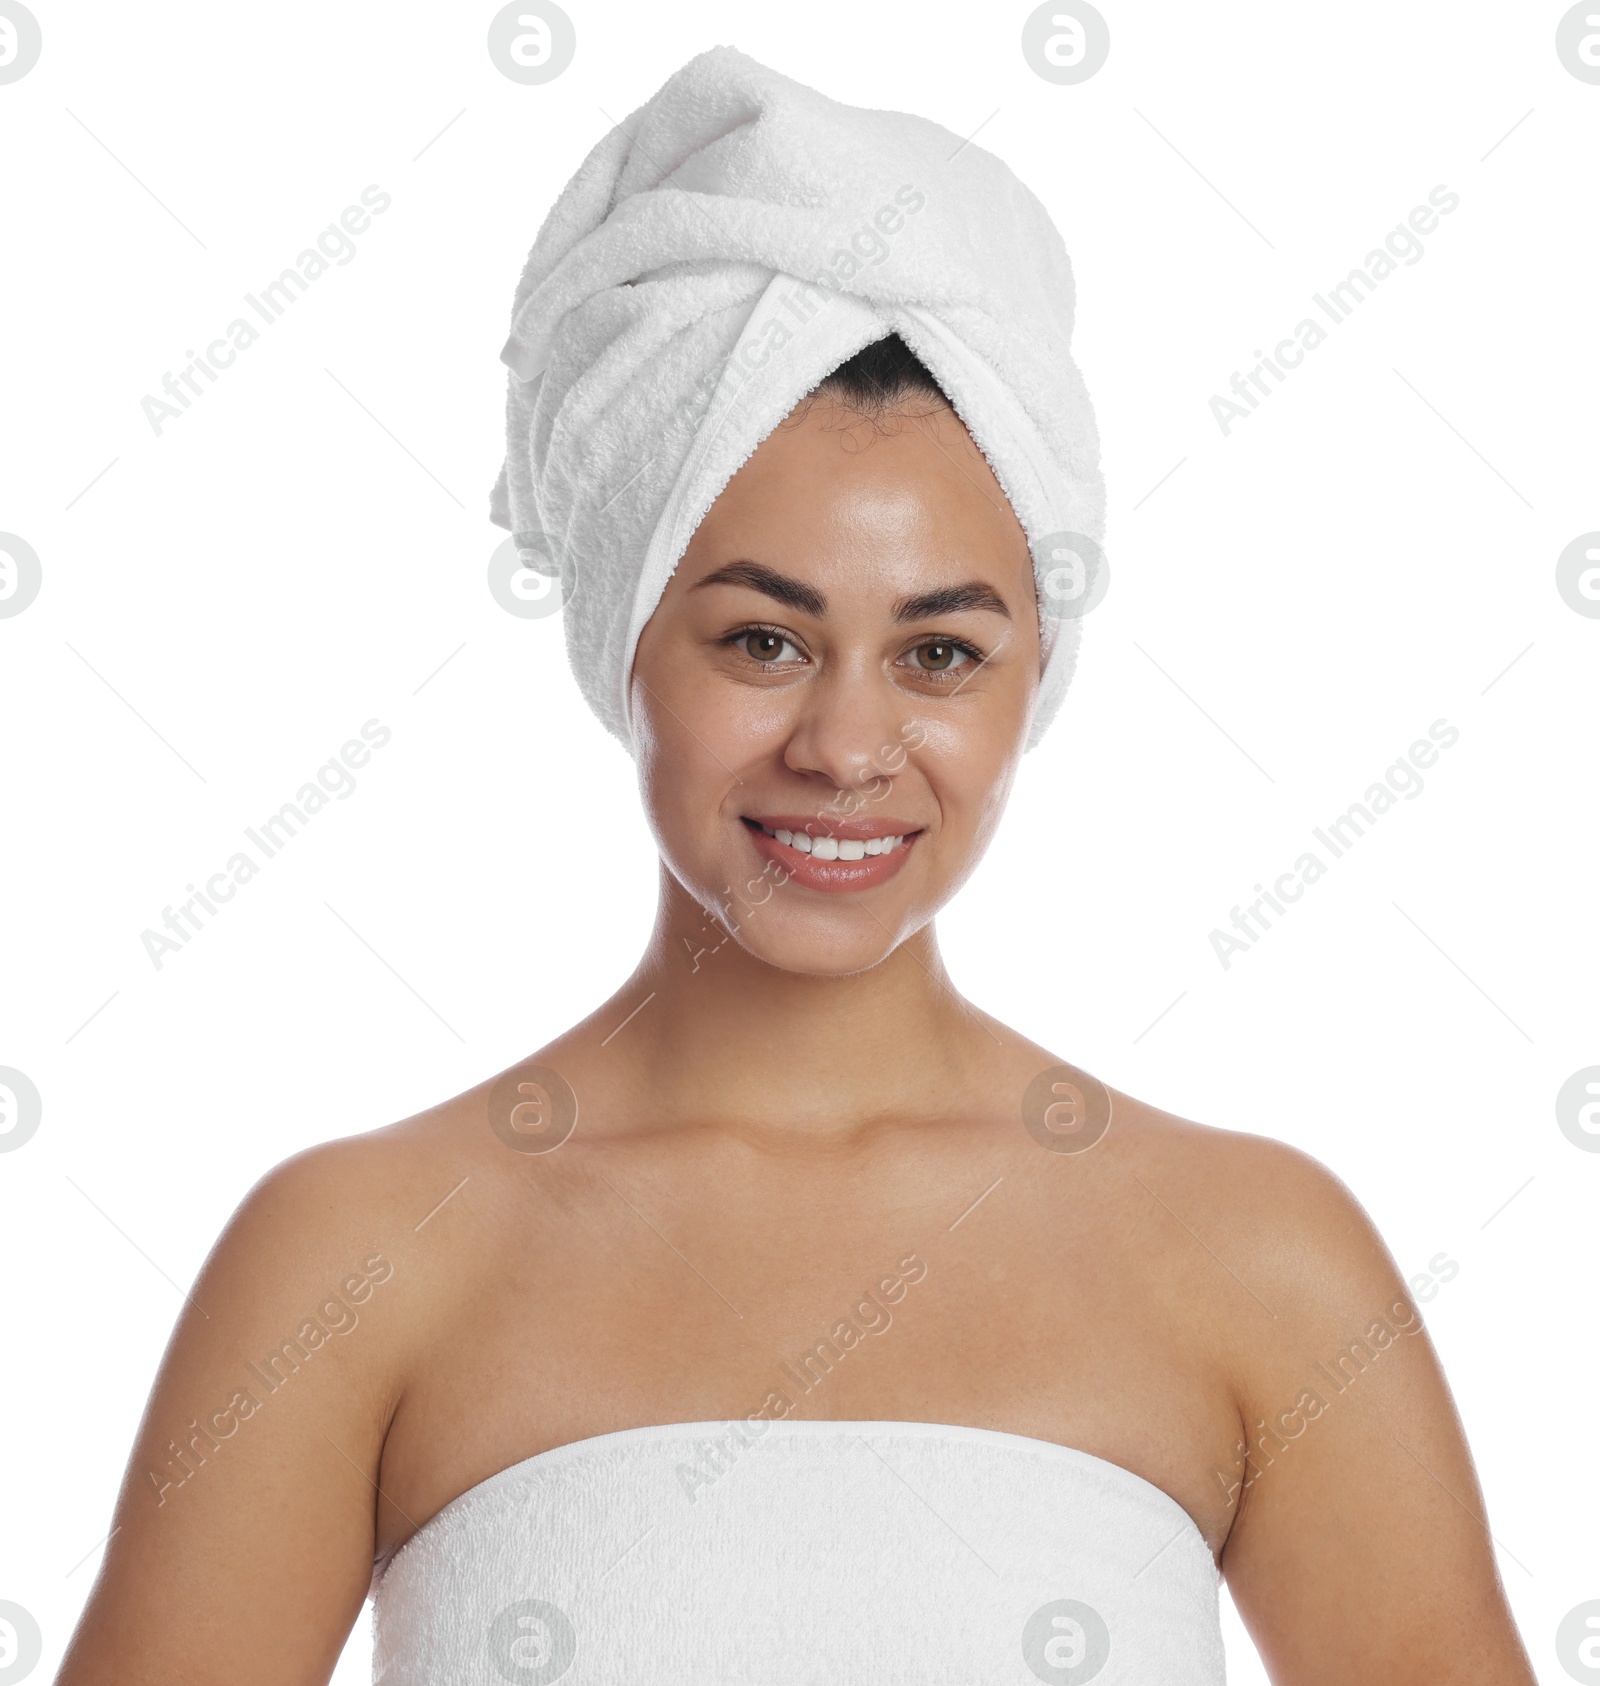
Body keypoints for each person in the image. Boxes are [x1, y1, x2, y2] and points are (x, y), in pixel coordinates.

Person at [56, 48, 1534, 1686]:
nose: (845, 746)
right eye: (763, 637)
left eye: (941, 653)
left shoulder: (1262, 1260)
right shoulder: (351, 1262)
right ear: (624, 634)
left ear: (1041, 664)